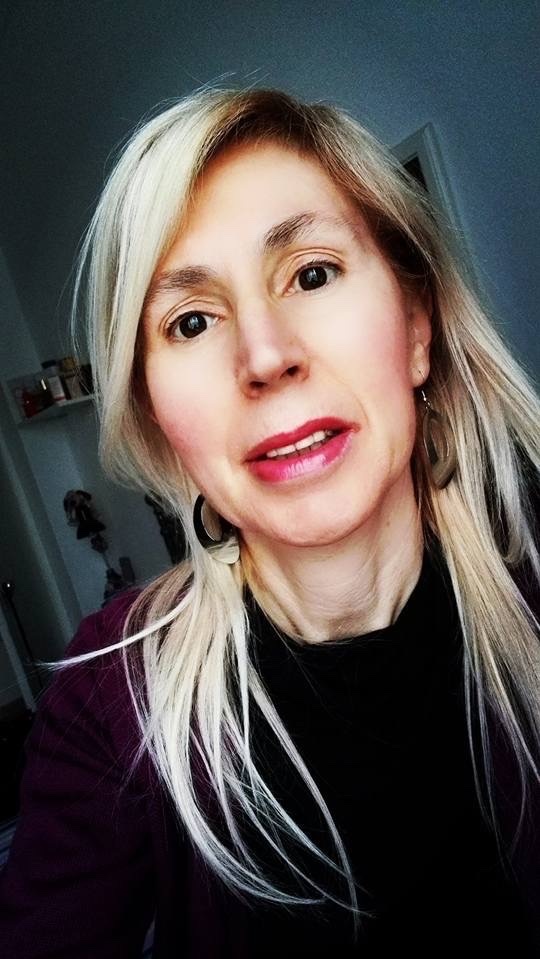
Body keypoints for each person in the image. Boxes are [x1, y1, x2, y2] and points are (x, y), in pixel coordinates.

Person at [0, 86, 539, 957]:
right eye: (192, 321)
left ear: (415, 327)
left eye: (312, 274)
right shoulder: (111, 705)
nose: (264, 355)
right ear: (157, 419)